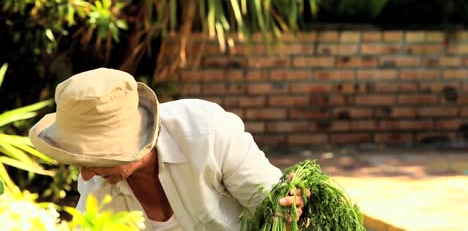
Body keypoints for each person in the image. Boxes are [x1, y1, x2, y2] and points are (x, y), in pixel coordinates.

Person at [29, 68, 308, 231]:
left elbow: (275, 206)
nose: (86, 175)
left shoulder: (208, 133)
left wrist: (290, 206)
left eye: (94, 159)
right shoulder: (97, 187)